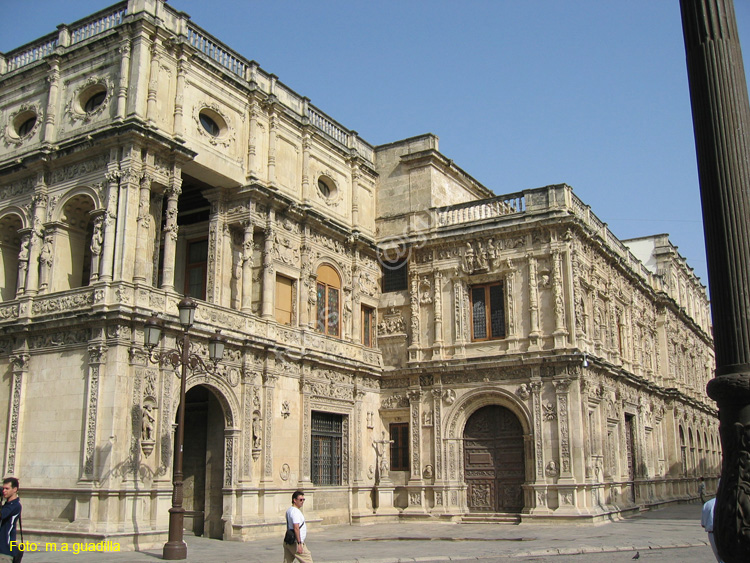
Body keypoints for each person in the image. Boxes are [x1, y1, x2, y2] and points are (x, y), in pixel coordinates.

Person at [284, 490, 313, 563]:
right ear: (294, 500)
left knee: (287, 561)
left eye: (303, 500)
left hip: (288, 541)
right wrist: (299, 543)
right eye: (300, 500)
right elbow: (296, 527)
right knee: (308, 560)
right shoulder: (295, 512)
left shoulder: (290, 510)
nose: (302, 501)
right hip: (295, 543)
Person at [0, 477, 21, 562]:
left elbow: (2, 515)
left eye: (7, 488)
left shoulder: (15, 505)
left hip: (5, 551)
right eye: (3, 488)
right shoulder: (6, 505)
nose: (4, 491)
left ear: (15, 489)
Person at [701, 496, 723, 563]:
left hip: (712, 533)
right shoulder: (728, 502)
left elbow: (703, 524)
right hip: (725, 532)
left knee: (719, 557)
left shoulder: (708, 504)